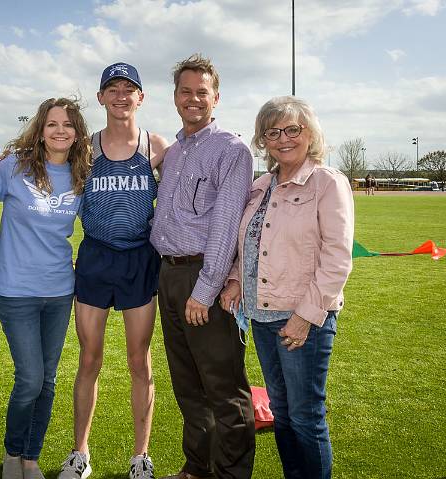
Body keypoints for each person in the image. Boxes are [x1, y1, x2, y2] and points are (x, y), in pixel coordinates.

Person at [220, 96, 354, 479]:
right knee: (281, 411)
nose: (283, 138)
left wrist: (305, 317)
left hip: (301, 320)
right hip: (261, 316)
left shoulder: (327, 183)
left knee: (306, 416)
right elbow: (246, 242)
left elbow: (337, 259)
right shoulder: (261, 185)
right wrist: (233, 280)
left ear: (309, 134)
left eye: (292, 129)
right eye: (272, 131)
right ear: (263, 140)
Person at [58, 63, 168, 479]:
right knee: (89, 359)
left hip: (139, 260)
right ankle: (80, 454)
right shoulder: (84, 149)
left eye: (130, 89)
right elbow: (43, 165)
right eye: (113, 89)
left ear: (141, 98)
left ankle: (141, 457)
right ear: (101, 97)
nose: (121, 96)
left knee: (140, 361)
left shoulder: (155, 146)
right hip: (95, 259)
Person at [150, 53, 255, 479]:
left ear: (216, 98)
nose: (193, 99)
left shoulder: (231, 149)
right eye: (185, 91)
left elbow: (227, 224)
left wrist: (206, 287)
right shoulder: (173, 152)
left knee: (224, 388)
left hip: (202, 278)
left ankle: (230, 474)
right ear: (175, 97)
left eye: (202, 92)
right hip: (169, 275)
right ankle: (197, 468)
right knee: (188, 385)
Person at [0, 97, 92, 479]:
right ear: (41, 130)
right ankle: (12, 453)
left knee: (47, 380)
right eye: (52, 124)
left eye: (67, 124)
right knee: (29, 378)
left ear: (77, 132)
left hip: (60, 290)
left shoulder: (83, 175)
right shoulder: (14, 168)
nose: (60, 130)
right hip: (16, 291)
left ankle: (31, 458)